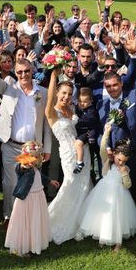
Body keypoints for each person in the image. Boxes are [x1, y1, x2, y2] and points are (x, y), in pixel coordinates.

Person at [0, 38, 51, 224]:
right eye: (20, 72)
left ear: (33, 71)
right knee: (10, 183)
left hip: (33, 148)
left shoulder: (43, 92)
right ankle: (9, 216)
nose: (23, 75)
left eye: (27, 71)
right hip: (11, 145)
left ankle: (28, 218)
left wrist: (47, 148)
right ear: (15, 73)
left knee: (30, 184)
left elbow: (46, 123)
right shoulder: (9, 88)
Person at [45, 68, 93, 244]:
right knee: (71, 183)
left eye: (69, 93)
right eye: (63, 93)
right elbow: (50, 98)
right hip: (67, 153)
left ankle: (82, 221)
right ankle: (54, 220)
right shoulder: (51, 112)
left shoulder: (72, 109)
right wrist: (53, 76)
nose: (66, 97)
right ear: (58, 92)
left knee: (84, 184)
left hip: (82, 152)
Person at [77, 123, 136, 251]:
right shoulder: (108, 162)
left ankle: (118, 242)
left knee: (117, 217)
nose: (121, 162)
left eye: (124, 161)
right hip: (104, 192)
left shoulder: (125, 169)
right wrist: (106, 133)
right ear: (115, 154)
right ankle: (103, 235)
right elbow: (102, 147)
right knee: (102, 215)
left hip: (119, 195)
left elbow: (128, 185)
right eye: (119, 159)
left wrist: (124, 174)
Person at [5, 141, 60, 257]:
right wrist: (23, 164)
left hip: (38, 197)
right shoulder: (22, 168)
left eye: (35, 157)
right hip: (27, 199)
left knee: (35, 220)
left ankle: (35, 243)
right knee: (26, 222)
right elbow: (19, 169)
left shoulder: (35, 168)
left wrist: (50, 181)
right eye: (30, 156)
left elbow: (40, 177)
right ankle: (22, 246)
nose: (32, 159)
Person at [73, 87, 100, 174]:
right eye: (80, 101)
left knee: (78, 144)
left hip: (87, 132)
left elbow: (88, 119)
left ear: (91, 101)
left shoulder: (91, 110)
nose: (82, 104)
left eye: (85, 102)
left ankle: (80, 163)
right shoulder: (77, 107)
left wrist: (76, 119)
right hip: (79, 131)